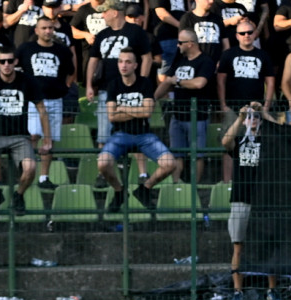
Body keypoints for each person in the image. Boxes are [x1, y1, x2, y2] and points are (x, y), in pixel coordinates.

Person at [0, 46, 52, 215]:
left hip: (20, 136)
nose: (6, 65)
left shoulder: (27, 80)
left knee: (30, 167)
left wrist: (47, 139)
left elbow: (42, 109)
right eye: (2, 61)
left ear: (15, 62)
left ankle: (18, 195)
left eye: (10, 61)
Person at [221, 101, 284, 300]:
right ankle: (238, 292)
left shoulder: (269, 141)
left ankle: (272, 290)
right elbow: (225, 142)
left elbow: (283, 133)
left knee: (268, 246)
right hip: (241, 197)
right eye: (250, 117)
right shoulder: (239, 140)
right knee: (238, 246)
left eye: (255, 117)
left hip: (265, 200)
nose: (253, 120)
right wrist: (240, 117)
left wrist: (263, 112)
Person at [99, 47, 177, 211]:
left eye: (128, 62)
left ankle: (144, 189)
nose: (123, 65)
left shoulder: (144, 83)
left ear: (135, 65)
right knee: (103, 164)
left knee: (170, 164)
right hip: (120, 135)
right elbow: (112, 117)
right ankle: (120, 192)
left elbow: (147, 112)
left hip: (143, 135)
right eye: (120, 61)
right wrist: (136, 111)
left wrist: (123, 108)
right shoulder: (113, 84)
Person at [17, 15, 76, 191]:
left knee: (49, 141)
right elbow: (14, 67)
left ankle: (44, 177)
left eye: (50, 28)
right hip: (34, 101)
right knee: (33, 136)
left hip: (55, 99)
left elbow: (71, 72)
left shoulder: (62, 51)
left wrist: (63, 87)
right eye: (44, 28)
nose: (48, 31)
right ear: (36, 30)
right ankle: (29, 174)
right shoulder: (26, 48)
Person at [87, 0, 152, 147]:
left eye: (105, 12)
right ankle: (104, 167)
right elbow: (93, 60)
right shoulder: (102, 34)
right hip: (106, 89)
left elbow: (147, 57)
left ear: (115, 12)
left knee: (136, 132)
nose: (103, 16)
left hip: (131, 90)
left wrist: (141, 82)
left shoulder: (136, 31)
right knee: (103, 135)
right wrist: (89, 85)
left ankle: (137, 169)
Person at [217, 17, 275, 182]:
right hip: (233, 107)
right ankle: (227, 182)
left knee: (256, 144)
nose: (246, 35)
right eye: (242, 33)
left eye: (250, 32)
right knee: (228, 146)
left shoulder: (263, 55)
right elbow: (221, 81)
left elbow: (270, 82)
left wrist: (266, 106)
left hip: (256, 109)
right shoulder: (228, 54)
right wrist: (223, 105)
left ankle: (257, 180)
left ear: (255, 34)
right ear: (237, 36)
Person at [155, 29, 216, 183]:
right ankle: (177, 186)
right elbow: (167, 82)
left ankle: (194, 190)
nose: (178, 45)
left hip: (197, 116)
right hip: (177, 115)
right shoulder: (179, 60)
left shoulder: (205, 61)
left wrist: (178, 82)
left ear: (190, 44)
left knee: (197, 155)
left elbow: (199, 83)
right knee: (177, 153)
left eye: (181, 42)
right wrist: (152, 99)